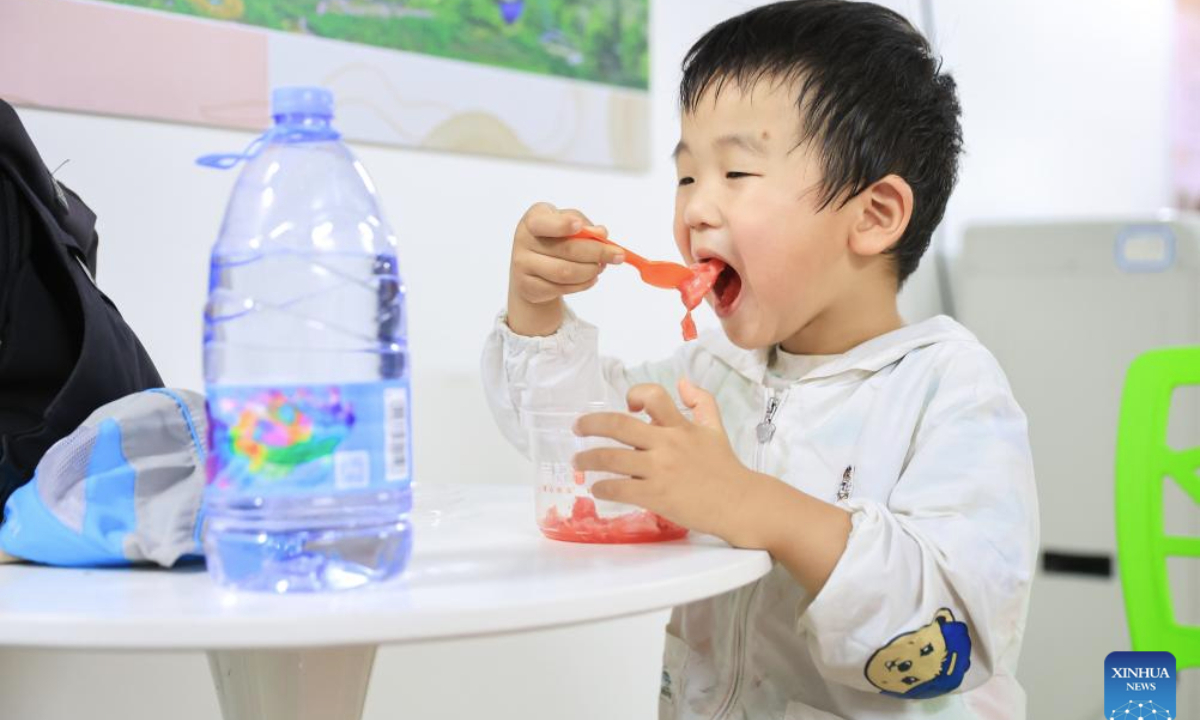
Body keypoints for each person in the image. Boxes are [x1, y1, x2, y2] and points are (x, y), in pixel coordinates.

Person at [482, 2, 1038, 717]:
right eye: (687, 177)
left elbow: (951, 633)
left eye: (736, 172)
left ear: (873, 215)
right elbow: (576, 450)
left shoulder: (947, 390)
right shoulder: (707, 376)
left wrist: (750, 504)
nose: (694, 210)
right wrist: (536, 308)